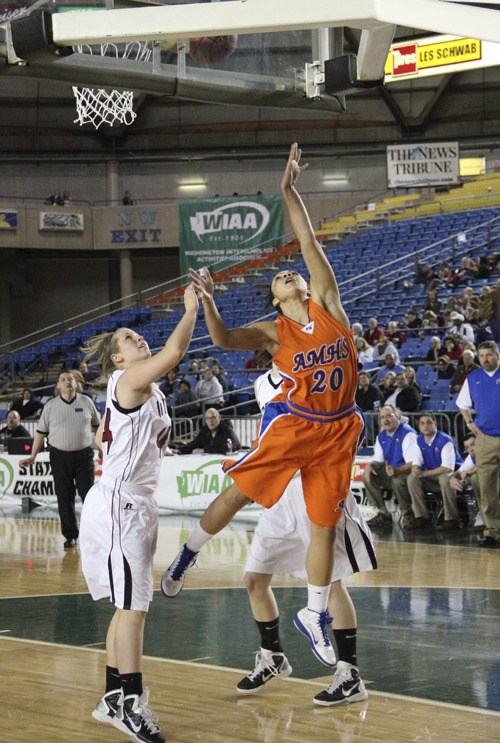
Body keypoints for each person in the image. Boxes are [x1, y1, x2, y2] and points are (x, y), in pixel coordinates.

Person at [161, 143, 364, 669]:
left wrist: (288, 189)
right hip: (299, 425)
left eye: (291, 272)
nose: (290, 274)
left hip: (340, 429)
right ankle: (187, 555)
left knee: (324, 525)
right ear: (275, 299)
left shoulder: (327, 301)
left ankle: (314, 613)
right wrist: (207, 301)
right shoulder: (275, 332)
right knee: (239, 492)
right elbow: (226, 339)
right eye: (280, 278)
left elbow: (308, 237)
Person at [78, 284, 198, 743]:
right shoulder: (129, 382)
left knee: (126, 608)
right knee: (133, 608)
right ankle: (131, 703)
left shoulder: (143, 386)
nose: (137, 339)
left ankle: (112, 698)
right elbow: (176, 348)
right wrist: (191, 309)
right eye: (127, 338)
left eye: (135, 334)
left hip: (135, 503)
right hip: (120, 503)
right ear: (118, 360)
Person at [238, 367, 376, 705]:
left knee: (332, 584)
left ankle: (350, 674)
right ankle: (273, 657)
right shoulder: (262, 383)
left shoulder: (324, 371)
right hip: (282, 490)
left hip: (319, 485)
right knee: (254, 579)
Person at [20, 371, 101, 548]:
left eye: (70, 379)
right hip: (59, 456)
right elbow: (40, 433)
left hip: (84, 456)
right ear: (58, 385)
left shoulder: (87, 402)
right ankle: (70, 535)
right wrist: (33, 455)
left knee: (88, 496)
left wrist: (103, 450)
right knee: (64, 497)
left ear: (76, 382)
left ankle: (93, 533)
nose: (67, 382)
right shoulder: (50, 405)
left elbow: (98, 428)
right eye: (63, 380)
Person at [456, 340, 500, 547]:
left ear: (497, 355)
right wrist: (469, 422)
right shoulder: (473, 378)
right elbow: (462, 404)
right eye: (481, 356)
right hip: (485, 439)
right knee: (486, 486)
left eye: (489, 355)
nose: (485, 359)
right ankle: (492, 531)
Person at [405, 414, 463, 530]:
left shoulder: (445, 440)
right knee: (412, 478)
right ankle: (422, 517)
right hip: (432, 477)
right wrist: (415, 468)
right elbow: (417, 461)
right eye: (422, 423)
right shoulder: (419, 440)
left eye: (429, 422)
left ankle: (452, 519)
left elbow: (448, 468)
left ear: (435, 424)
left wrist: (424, 473)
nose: (425, 425)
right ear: (419, 427)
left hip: (454, 476)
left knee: (445, 478)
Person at [362, 405, 416, 527]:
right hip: (392, 472)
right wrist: (369, 466)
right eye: (382, 417)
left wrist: (396, 470)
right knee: (368, 476)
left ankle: (408, 514)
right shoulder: (381, 436)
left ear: (397, 416)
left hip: (408, 474)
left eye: (389, 416)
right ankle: (383, 513)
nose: (385, 420)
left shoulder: (407, 433)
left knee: (397, 480)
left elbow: (414, 463)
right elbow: (378, 460)